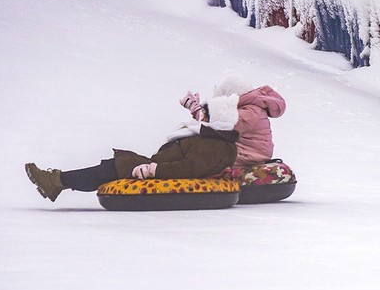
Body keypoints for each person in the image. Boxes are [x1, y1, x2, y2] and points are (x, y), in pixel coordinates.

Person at [24, 78, 286, 203]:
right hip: (164, 162)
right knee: (115, 164)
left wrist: (154, 170)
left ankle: (57, 181)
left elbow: (193, 166)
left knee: (115, 167)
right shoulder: (215, 134)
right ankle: (57, 181)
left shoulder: (228, 135)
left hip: (167, 166)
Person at [185, 75, 286, 166]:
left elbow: (220, 127)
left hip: (249, 155)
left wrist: (198, 110)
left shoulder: (251, 112)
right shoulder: (249, 108)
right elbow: (217, 122)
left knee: (200, 154)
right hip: (246, 152)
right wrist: (198, 111)